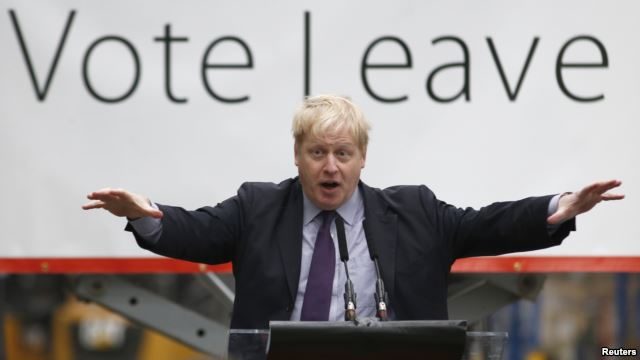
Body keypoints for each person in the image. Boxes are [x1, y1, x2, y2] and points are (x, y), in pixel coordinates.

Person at [82, 95, 624, 329]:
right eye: (318, 153)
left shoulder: (414, 211)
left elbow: (488, 223)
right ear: (297, 157)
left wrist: (560, 207)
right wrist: (147, 212)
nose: (331, 167)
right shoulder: (259, 207)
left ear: (363, 159)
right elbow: (197, 233)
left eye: (343, 154)